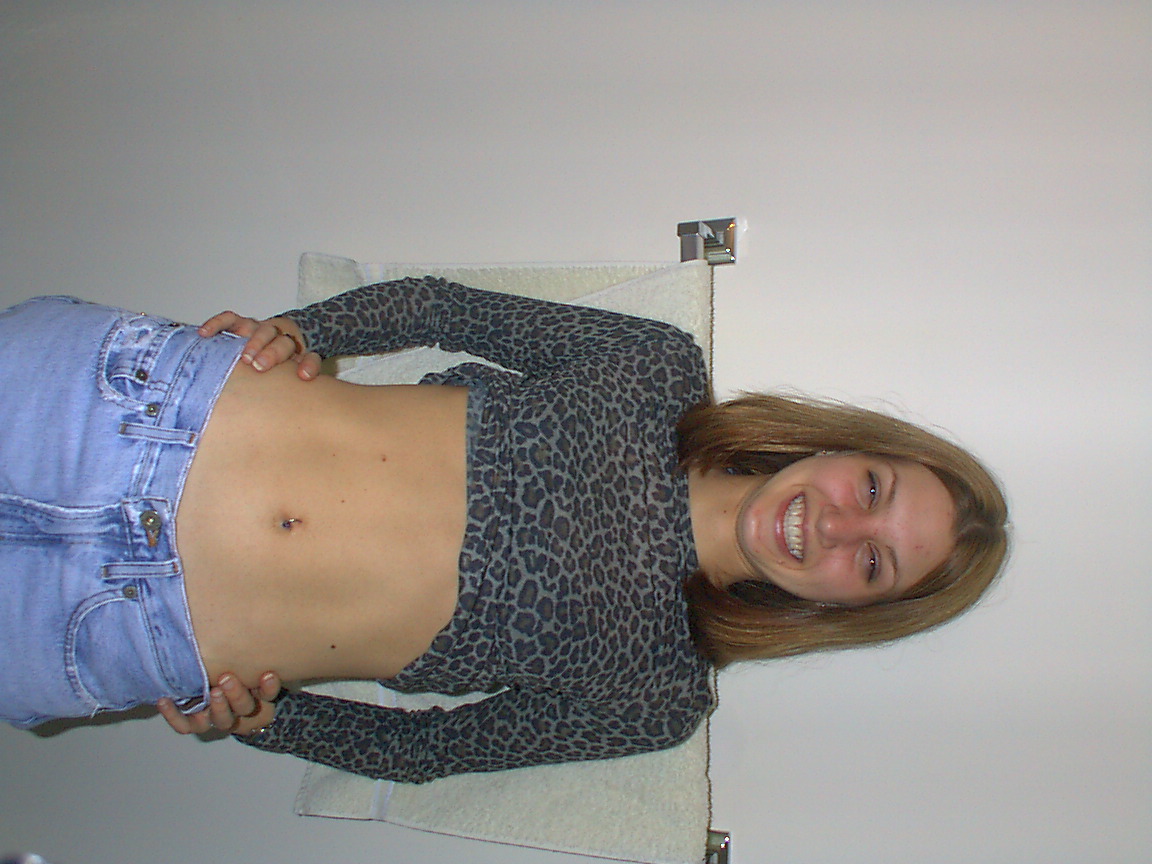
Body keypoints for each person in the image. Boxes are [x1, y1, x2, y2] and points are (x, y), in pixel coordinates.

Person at [0, 278, 1008, 783]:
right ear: (841, 446)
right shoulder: (654, 369)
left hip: (121, 629)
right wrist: (308, 330)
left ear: (847, 609)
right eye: (870, 486)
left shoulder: (656, 699)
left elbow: (430, 752)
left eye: (872, 561)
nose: (835, 525)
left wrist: (270, 723)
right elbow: (448, 308)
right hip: (130, 409)